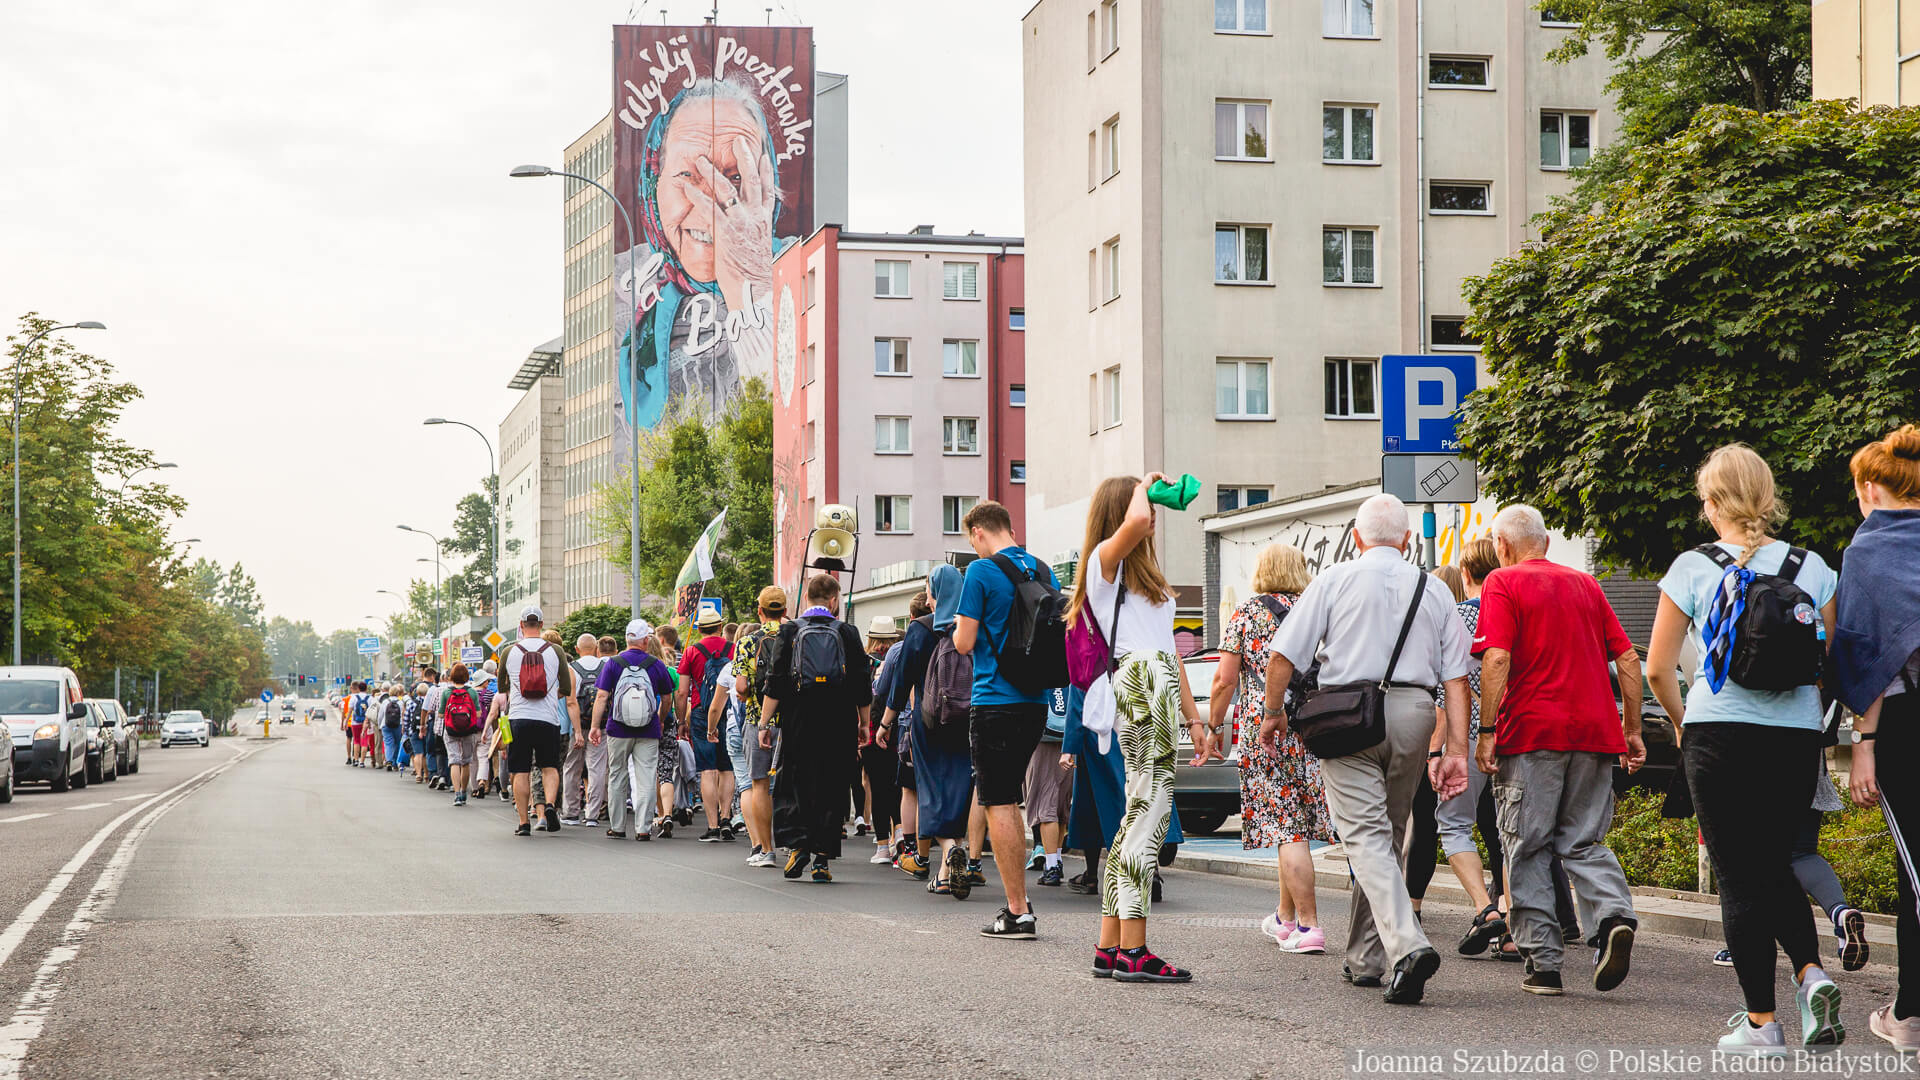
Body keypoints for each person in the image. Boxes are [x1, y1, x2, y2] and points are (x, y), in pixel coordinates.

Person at [1645, 445, 1842, 1051]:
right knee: (1776, 860)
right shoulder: (1812, 568)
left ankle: (1763, 1023)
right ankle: (1810, 975)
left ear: (1712, 503)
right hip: (1794, 735)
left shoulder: (1693, 567)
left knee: (1738, 875)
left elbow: (1657, 668)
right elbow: (1826, 660)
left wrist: (1683, 722)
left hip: (1719, 731)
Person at [1262, 493, 1471, 1005]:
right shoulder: (1434, 589)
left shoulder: (1334, 579)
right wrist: (1457, 748)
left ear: (1357, 538)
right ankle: (1365, 958)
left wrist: (1272, 713)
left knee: (1365, 839)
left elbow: (1283, 654)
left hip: (1348, 717)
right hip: (1415, 715)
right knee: (1388, 836)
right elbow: (1458, 680)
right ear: (1405, 539)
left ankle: (1408, 945)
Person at [1473, 505, 1643, 999]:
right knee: (1584, 841)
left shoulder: (1502, 583)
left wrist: (1487, 731)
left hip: (1531, 733)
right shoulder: (1586, 585)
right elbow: (1629, 658)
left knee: (1527, 846)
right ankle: (1612, 917)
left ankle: (1543, 965)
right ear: (1545, 543)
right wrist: (1631, 729)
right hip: (1595, 732)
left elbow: (1497, 656)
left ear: (1502, 547)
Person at [1065, 475, 1198, 979]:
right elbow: (1139, 519)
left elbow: (1171, 653)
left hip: (1153, 678)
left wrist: (1194, 718)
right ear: (1124, 511)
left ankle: (1110, 944)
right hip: (1143, 682)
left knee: (1135, 816)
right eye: (1145, 504)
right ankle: (1135, 950)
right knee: (1149, 816)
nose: (1154, 513)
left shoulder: (1143, 581)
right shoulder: (1104, 562)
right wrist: (1144, 485)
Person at [614, 76, 789, 433]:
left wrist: (754, 288)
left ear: (766, 185)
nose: (712, 205)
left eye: (736, 177)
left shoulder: (805, 273)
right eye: (688, 176)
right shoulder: (618, 284)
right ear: (654, 184)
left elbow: (797, 420)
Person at [1834, 424, 1920, 1052]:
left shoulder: (1867, 548)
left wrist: (1863, 741)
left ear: (1869, 487)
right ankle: (1906, 1010)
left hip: (1906, 724)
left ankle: (1911, 1016)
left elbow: (1868, 655)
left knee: (1914, 862)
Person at [1211, 543, 1333, 956]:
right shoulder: (1316, 609)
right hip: (1312, 727)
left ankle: (1310, 925)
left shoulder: (1247, 613)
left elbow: (1225, 680)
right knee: (1292, 825)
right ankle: (1284, 917)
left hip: (1265, 728)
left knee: (1286, 827)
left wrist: (1212, 725)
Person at [953, 500, 1061, 938]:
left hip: (994, 700)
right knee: (1011, 799)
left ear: (978, 531)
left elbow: (963, 642)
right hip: (1035, 702)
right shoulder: (1042, 569)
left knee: (999, 801)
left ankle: (1018, 910)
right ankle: (1020, 901)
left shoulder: (979, 572)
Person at [760, 573, 871, 882]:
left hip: (798, 720)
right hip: (838, 722)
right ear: (834, 600)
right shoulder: (848, 632)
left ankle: (798, 846)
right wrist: (864, 723)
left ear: (807, 598)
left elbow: (775, 681)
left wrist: (764, 722)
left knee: (795, 780)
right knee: (832, 786)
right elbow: (863, 683)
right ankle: (822, 858)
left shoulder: (790, 630)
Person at [1444, 539, 1518, 961]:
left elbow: (1446, 687)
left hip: (1467, 733)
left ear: (1466, 574)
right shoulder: (1514, 612)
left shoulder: (1456, 617)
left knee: (1454, 825)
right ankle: (1511, 925)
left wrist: (1439, 751)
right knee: (1512, 833)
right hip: (1513, 732)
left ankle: (1484, 909)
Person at [882, 566, 975, 895]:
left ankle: (950, 849)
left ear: (935, 594)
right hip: (966, 721)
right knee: (958, 791)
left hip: (928, 721)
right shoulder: (971, 627)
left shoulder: (920, 629)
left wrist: (885, 723)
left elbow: (901, 679)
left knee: (931, 792)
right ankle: (947, 872)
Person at [489, 607, 578, 837]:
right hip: (548, 719)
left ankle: (523, 822)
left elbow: (501, 688)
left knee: (521, 771)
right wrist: (547, 697)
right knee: (549, 767)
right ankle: (549, 805)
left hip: (518, 718)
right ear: (541, 624)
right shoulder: (556, 650)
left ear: (521, 625)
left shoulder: (509, 651)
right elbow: (566, 689)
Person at [591, 619, 677, 841]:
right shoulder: (656, 664)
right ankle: (643, 828)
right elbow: (668, 697)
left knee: (617, 775)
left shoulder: (613, 663)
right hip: (648, 729)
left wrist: (594, 726)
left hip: (618, 728)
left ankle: (618, 826)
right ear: (646, 640)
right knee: (646, 776)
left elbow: (601, 696)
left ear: (627, 639)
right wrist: (660, 719)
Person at [736, 587, 787, 866]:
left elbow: (742, 686)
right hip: (791, 720)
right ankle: (793, 844)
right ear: (785, 610)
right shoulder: (795, 636)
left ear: (760, 610)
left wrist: (746, 696)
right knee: (791, 784)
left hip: (758, 721)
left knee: (759, 784)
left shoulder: (747, 642)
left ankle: (766, 850)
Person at [679, 608, 736, 843]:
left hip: (702, 712)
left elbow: (682, 692)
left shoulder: (691, 651)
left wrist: (682, 720)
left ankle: (712, 826)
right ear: (720, 626)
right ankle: (726, 819)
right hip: (729, 709)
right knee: (727, 768)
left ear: (700, 628)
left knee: (708, 770)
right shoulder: (732, 649)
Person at [861, 616, 903, 865]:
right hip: (896, 728)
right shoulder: (900, 658)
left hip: (870, 729)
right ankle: (900, 832)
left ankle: (882, 846)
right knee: (897, 786)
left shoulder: (863, 663)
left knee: (877, 788)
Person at [563, 633, 610, 827]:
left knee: (571, 768)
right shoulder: (606, 667)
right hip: (600, 726)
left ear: (576, 649)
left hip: (578, 725)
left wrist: (577, 732)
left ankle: (571, 812)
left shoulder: (571, 669)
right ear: (597, 649)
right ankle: (592, 814)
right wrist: (595, 726)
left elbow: (571, 701)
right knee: (597, 768)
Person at [440, 665, 484, 806]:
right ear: (466, 677)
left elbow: (441, 714)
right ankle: (464, 791)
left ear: (451, 676)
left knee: (454, 760)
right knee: (466, 761)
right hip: (468, 730)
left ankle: (457, 793)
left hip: (451, 730)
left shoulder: (447, 693)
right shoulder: (472, 692)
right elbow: (478, 714)